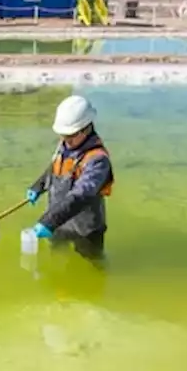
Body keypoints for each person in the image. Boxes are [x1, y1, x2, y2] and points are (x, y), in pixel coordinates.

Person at [25, 95, 115, 262]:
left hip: (85, 228)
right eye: (63, 135)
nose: (65, 140)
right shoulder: (67, 144)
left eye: (70, 135)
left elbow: (82, 194)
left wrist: (49, 221)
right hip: (59, 223)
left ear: (86, 129)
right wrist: (38, 186)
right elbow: (55, 167)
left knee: (93, 266)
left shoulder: (97, 160)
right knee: (56, 260)